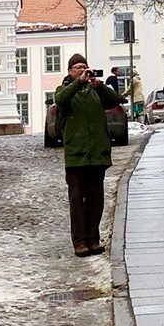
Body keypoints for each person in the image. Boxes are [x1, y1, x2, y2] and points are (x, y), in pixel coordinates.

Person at [54, 53, 120, 256]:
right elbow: (60, 100)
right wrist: (78, 83)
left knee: (95, 200)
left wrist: (98, 85)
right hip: (76, 154)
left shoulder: (94, 91)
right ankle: (79, 241)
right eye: (78, 67)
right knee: (76, 200)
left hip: (96, 153)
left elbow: (115, 100)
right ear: (70, 71)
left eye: (85, 66)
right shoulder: (64, 89)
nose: (82, 70)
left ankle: (93, 238)